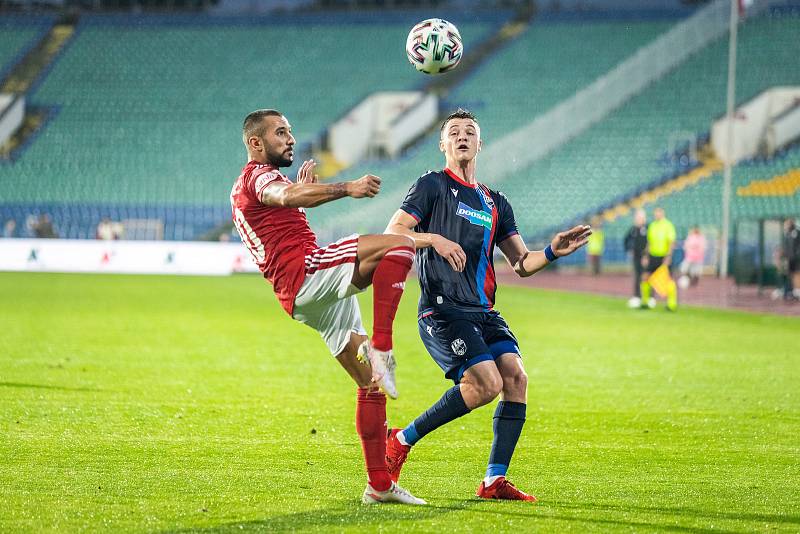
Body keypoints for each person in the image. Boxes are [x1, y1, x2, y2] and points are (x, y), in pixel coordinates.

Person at [384, 109, 591, 502]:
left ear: (481, 144)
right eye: (454, 133)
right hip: (442, 311)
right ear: (443, 144)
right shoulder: (431, 185)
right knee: (486, 383)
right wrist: (434, 240)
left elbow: (522, 263)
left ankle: (493, 481)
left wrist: (551, 251)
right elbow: (394, 232)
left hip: (482, 312)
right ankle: (401, 440)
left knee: (515, 379)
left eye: (470, 132)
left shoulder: (496, 202)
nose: (462, 137)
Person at [230, 109, 424, 505]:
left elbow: (285, 205)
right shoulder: (256, 176)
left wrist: (298, 197)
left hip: (304, 297)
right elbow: (283, 194)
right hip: (306, 274)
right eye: (280, 133)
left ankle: (379, 486)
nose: (290, 138)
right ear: (255, 143)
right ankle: (383, 346)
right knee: (400, 245)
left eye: (290, 131)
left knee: (370, 384)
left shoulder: (260, 182)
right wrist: (347, 187)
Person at [640, 207, 677, 311]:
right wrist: (646, 256)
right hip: (653, 256)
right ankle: (645, 302)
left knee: (668, 279)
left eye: (659, 213)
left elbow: (671, 242)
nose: (657, 215)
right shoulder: (652, 226)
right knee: (645, 277)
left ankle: (671, 304)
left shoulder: (668, 225)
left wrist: (668, 256)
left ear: (663, 213)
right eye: (655, 213)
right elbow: (649, 242)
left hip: (664, 256)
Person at [624, 209, 648, 307]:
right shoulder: (633, 229)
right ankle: (637, 297)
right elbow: (626, 240)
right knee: (637, 276)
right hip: (636, 257)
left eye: (640, 218)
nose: (639, 220)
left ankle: (649, 298)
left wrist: (646, 255)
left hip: (646, 257)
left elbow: (650, 242)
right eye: (637, 218)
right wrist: (629, 249)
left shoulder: (648, 228)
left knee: (646, 276)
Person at [782, 218, 800, 301]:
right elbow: (786, 247)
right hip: (789, 258)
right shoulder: (787, 234)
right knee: (790, 274)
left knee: (797, 273)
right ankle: (791, 291)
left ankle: (797, 292)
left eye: (788, 224)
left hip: (797, 258)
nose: (786, 226)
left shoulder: (797, 233)